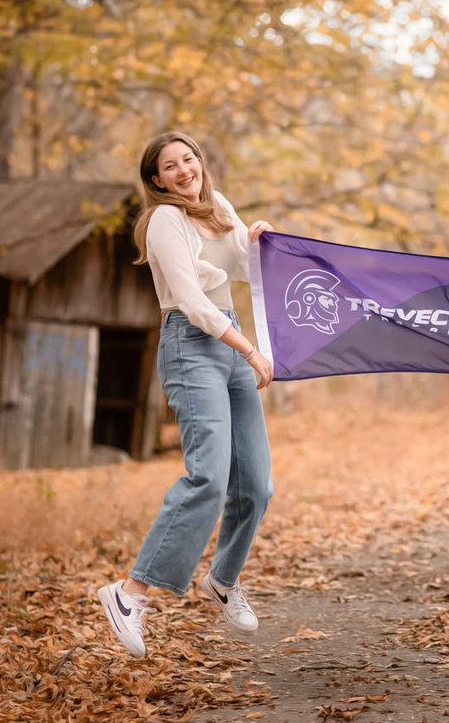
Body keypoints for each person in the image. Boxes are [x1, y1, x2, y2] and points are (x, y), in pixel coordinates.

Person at [97, 131, 276, 659]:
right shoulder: (163, 222)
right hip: (192, 344)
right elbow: (194, 301)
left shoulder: (218, 206)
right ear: (157, 180)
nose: (183, 170)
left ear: (200, 162)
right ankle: (129, 594)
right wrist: (249, 349)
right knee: (208, 477)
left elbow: (247, 270)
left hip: (230, 338)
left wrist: (261, 241)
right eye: (169, 166)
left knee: (256, 486)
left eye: (188, 158)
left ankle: (222, 580)